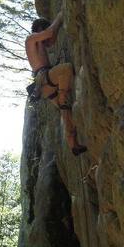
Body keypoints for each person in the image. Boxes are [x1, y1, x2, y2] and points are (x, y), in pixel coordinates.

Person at [25, 11, 87, 156]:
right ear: (39, 29)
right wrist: (60, 17)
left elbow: (50, 37)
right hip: (44, 77)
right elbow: (50, 32)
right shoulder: (31, 39)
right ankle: (62, 95)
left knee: (66, 110)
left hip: (44, 83)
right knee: (66, 69)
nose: (49, 42)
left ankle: (74, 145)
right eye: (43, 30)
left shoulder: (38, 43)